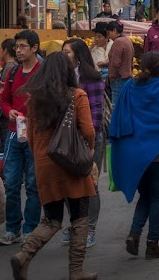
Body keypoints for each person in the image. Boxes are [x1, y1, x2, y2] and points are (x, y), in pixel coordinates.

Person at [9, 52, 97, 280]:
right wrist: (90, 152)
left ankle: (23, 255)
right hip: (72, 163)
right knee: (80, 216)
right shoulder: (77, 95)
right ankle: (76, 271)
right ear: (69, 72)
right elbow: (88, 130)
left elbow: (28, 136)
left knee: (52, 218)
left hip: (44, 163)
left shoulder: (34, 100)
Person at [109, 52, 159, 260]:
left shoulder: (129, 88)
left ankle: (134, 233)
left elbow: (118, 118)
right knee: (156, 199)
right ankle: (152, 243)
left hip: (135, 155)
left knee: (145, 196)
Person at [0, 30, 43, 247]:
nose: (18, 50)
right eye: (17, 46)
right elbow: (4, 100)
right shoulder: (13, 72)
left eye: (23, 46)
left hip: (36, 134)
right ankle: (12, 228)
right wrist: (9, 112)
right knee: (11, 182)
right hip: (15, 133)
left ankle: (30, 228)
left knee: (34, 184)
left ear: (34, 48)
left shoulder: (43, 72)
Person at [62, 39, 106, 248]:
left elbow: (96, 115)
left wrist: (89, 141)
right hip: (67, 139)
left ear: (78, 55)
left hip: (90, 138)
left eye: (67, 52)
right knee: (68, 184)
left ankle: (90, 228)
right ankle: (75, 225)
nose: (64, 56)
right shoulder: (61, 78)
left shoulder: (92, 79)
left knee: (90, 184)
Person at [106, 21, 135, 100]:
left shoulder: (118, 42)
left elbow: (115, 62)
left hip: (118, 78)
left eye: (109, 33)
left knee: (117, 103)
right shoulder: (127, 40)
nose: (108, 36)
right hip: (127, 76)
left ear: (114, 30)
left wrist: (111, 77)